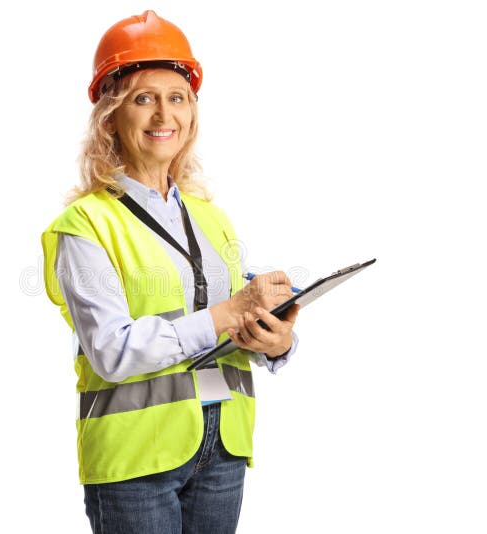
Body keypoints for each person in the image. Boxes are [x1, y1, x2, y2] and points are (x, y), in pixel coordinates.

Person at [41, 10, 301, 534]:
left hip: (222, 445)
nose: (164, 114)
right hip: (137, 460)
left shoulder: (210, 217)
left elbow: (236, 321)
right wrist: (225, 314)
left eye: (177, 97)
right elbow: (111, 352)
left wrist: (275, 341)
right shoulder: (85, 225)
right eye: (144, 98)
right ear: (111, 115)